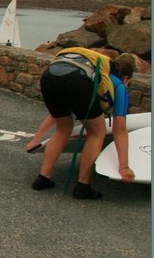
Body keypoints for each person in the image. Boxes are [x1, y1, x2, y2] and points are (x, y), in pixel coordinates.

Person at [31, 49, 135, 199]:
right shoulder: (119, 85)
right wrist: (124, 166)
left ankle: (43, 178)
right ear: (126, 78)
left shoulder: (95, 69)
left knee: (63, 129)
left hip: (49, 76)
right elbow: (119, 130)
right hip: (77, 81)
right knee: (97, 132)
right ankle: (82, 187)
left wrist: (36, 139)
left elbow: (55, 116)